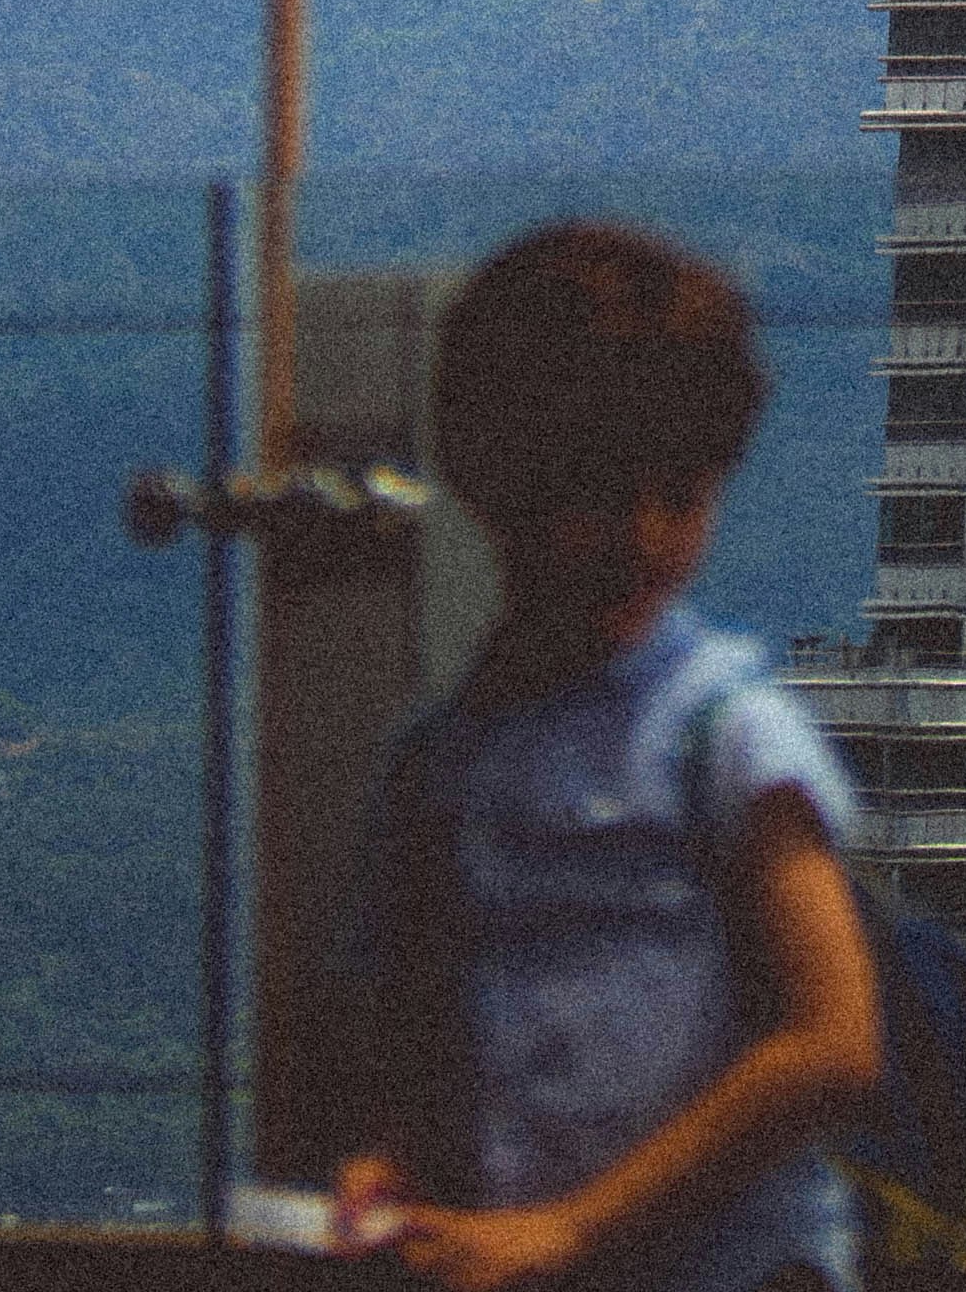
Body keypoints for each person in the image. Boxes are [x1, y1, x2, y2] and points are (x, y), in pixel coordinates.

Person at [334, 224, 883, 1292]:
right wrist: (391, 1160)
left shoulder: (723, 735)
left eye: (680, 497)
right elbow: (409, 1025)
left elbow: (834, 1044)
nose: (643, 537)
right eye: (597, 494)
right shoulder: (435, 766)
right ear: (494, 481)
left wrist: (579, 1225)